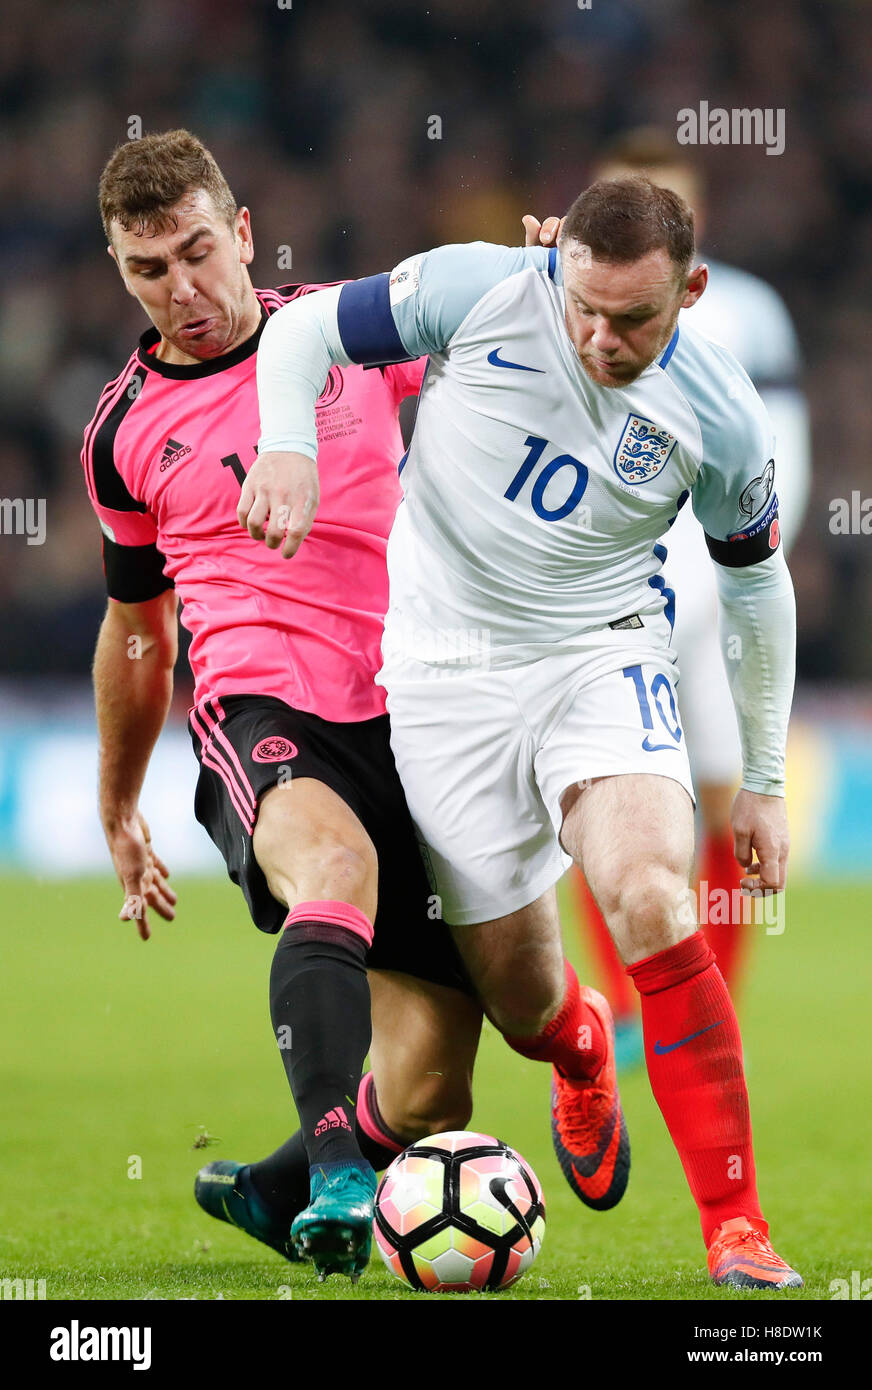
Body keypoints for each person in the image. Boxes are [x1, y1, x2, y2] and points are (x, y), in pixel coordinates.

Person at [247, 176, 802, 1289]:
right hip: (444, 687)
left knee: (648, 890)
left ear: (688, 292)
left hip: (600, 656)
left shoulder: (721, 412)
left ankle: (735, 1227)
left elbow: (753, 583)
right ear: (557, 268)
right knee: (520, 1007)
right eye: (582, 308)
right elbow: (303, 327)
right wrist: (286, 445)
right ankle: (580, 1051)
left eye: (632, 320)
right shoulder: (479, 288)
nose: (598, 337)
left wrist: (761, 775)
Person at [82, 128, 487, 1283]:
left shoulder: (349, 332)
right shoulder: (122, 435)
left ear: (243, 233)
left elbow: (482, 329)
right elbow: (139, 630)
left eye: (198, 253)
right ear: (120, 271)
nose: (183, 291)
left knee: (430, 1079)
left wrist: (544, 264)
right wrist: (119, 805)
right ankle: (337, 1173)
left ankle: (274, 1186)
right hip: (263, 705)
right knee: (333, 867)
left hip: (418, 707)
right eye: (146, 270)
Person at [564, 132, 811, 1059]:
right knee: (606, 793)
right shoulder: (564, 302)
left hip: (715, 585)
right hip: (605, 587)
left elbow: (776, 450)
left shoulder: (748, 309)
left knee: (722, 789)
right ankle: (629, 1009)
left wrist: (747, 571)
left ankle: (714, 1001)